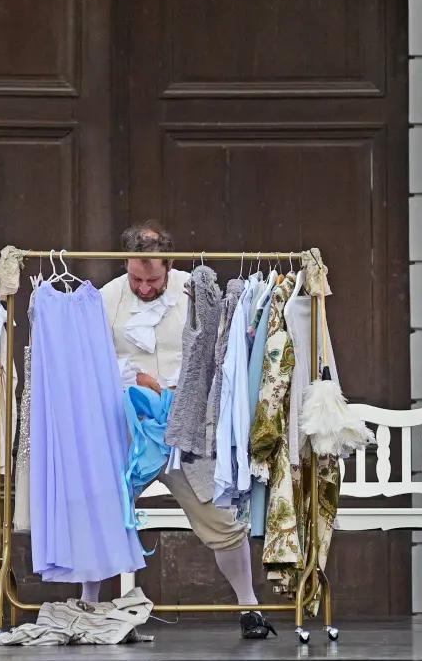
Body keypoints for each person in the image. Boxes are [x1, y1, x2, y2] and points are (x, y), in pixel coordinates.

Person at [84, 221, 275, 640]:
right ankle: (90, 606)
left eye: (152, 279)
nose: (145, 287)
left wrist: (172, 386)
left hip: (184, 424)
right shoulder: (106, 298)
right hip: (128, 424)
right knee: (102, 511)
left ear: (169, 266)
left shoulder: (196, 291)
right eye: (136, 277)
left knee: (220, 517)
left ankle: (249, 607)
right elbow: (92, 362)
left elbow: (214, 356)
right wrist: (132, 378)